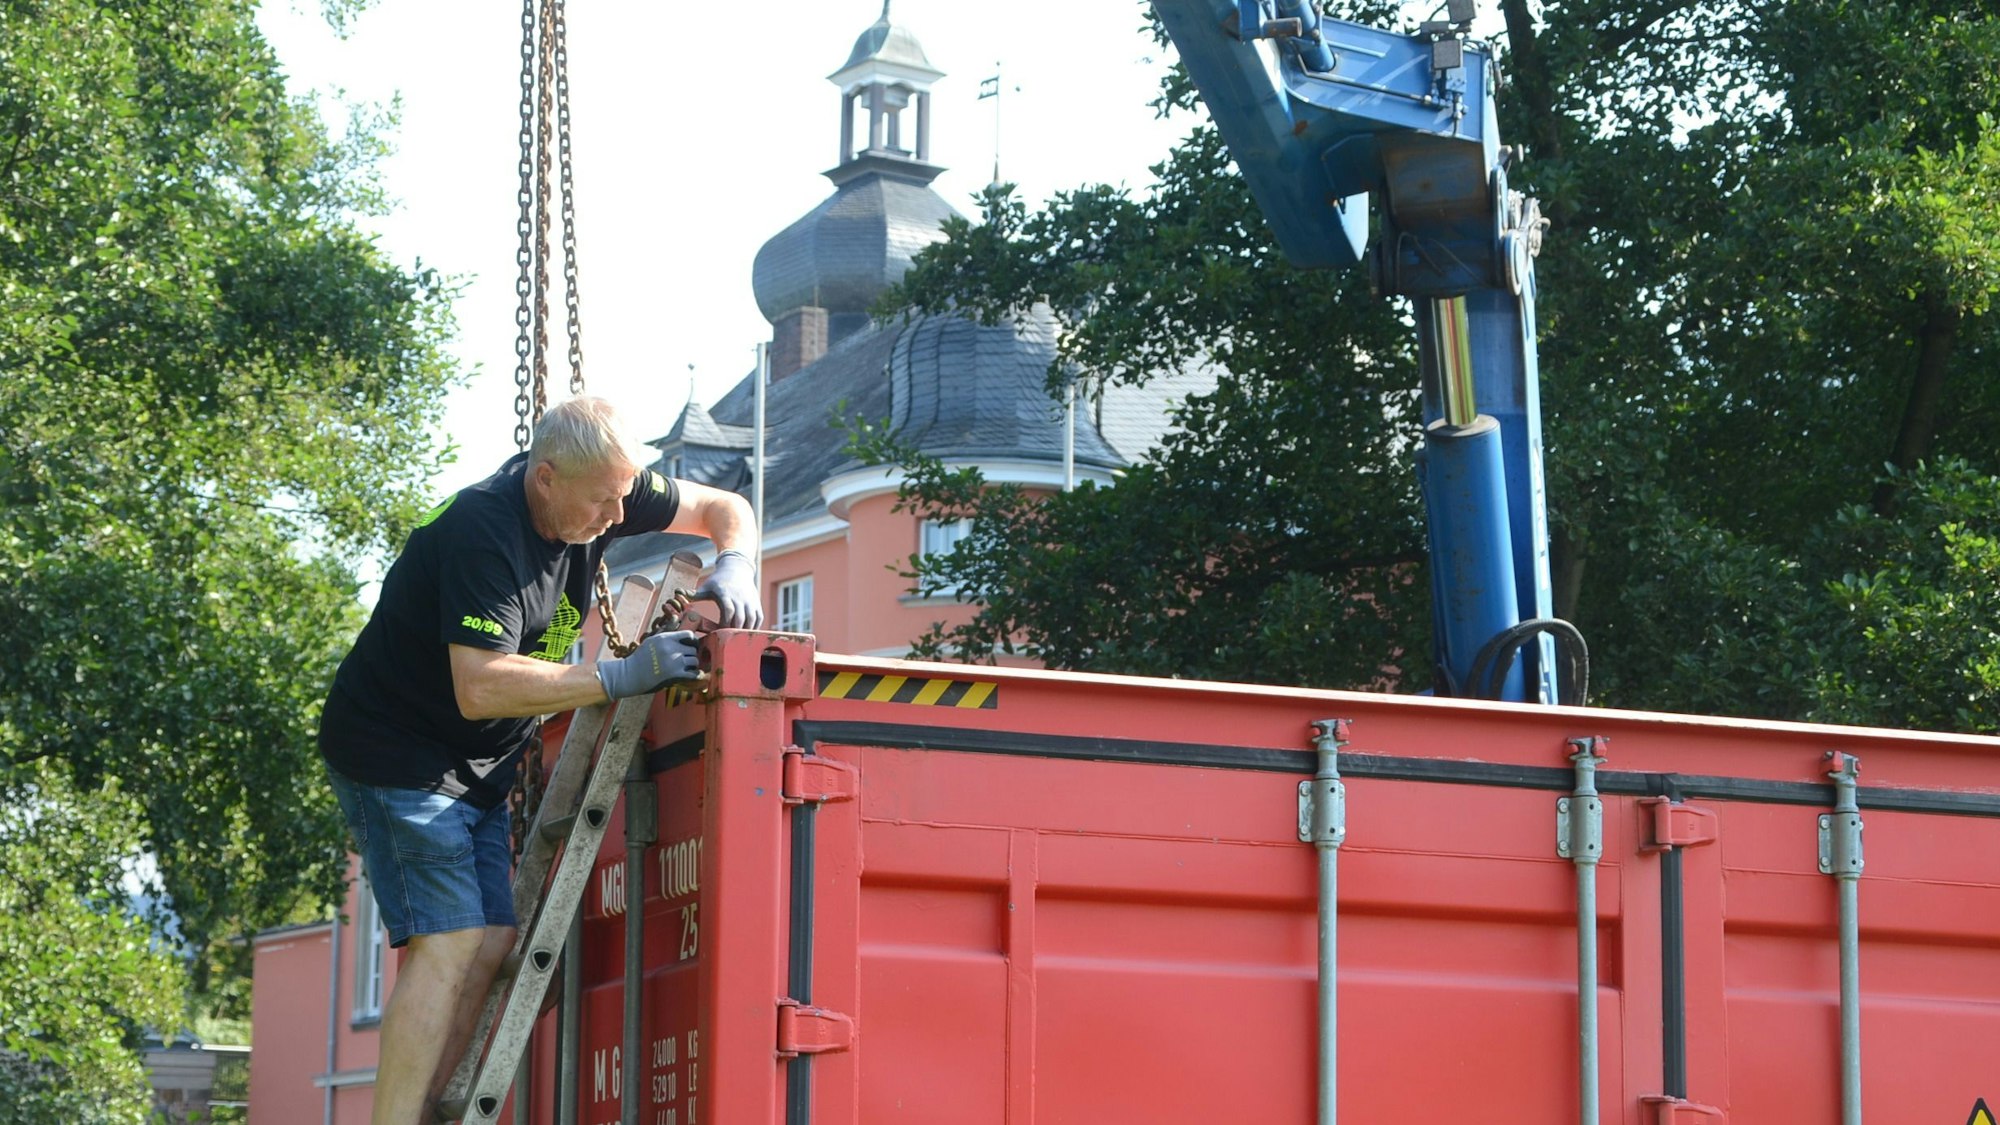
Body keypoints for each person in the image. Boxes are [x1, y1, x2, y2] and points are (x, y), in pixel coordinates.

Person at [316, 396, 761, 1125]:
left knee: (491, 942)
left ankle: (427, 1110)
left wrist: (735, 562)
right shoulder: (483, 534)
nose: (615, 520)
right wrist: (619, 674)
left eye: (624, 499)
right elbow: (481, 684)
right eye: (601, 503)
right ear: (546, 477)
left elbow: (726, 506)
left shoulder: (610, 485)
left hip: (475, 765)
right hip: (397, 751)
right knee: (454, 936)